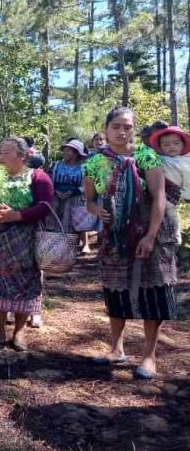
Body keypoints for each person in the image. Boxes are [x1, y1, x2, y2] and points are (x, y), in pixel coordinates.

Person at [84, 106, 177, 379]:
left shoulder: (145, 156)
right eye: (116, 126)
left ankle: (149, 356)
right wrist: (94, 210)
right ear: (106, 128)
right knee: (116, 290)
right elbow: (89, 199)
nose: (122, 132)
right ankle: (116, 349)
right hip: (115, 236)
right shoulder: (94, 162)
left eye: (127, 127)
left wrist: (150, 236)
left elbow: (160, 198)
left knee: (152, 292)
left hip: (151, 233)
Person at [0, 137, 54, 351]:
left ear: (23, 156)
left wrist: (16, 215)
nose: (1, 156)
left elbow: (45, 205)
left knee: (24, 282)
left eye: (7, 152)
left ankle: (19, 331)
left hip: (24, 239)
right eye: (0, 151)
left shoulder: (38, 177)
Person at [148, 124, 190, 243]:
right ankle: (175, 242)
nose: (172, 147)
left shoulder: (187, 159)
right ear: (160, 147)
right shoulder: (158, 160)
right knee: (171, 222)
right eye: (166, 145)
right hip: (166, 199)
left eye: (176, 143)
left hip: (185, 199)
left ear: (183, 144)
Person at [51, 139, 91, 253]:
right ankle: (64, 245)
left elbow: (85, 184)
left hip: (76, 197)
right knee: (60, 220)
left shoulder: (83, 168)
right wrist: (55, 191)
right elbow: (51, 180)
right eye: (65, 150)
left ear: (76, 153)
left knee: (79, 220)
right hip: (59, 197)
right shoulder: (57, 165)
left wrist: (73, 192)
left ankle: (85, 244)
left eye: (69, 151)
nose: (65, 153)